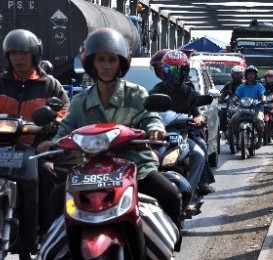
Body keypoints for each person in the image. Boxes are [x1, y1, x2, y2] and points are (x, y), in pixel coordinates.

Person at [36, 28, 183, 253]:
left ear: (121, 63)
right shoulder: (80, 101)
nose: (106, 65)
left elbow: (151, 117)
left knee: (170, 194)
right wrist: (54, 143)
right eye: (101, 60)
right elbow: (66, 128)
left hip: (135, 167)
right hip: (90, 173)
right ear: (91, 64)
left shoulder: (137, 94)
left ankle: (170, 249)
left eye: (111, 60)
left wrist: (155, 130)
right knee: (56, 199)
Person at [0, 29, 70, 233]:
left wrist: (52, 124)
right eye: (13, 54)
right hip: (3, 149)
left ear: (34, 55)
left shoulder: (50, 85)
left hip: (34, 150)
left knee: (47, 172)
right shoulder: (1, 83)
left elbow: (65, 115)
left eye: (23, 53)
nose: (18, 58)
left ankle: (49, 230)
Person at [149, 49, 215, 204]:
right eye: (170, 71)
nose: (174, 75)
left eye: (178, 71)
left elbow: (199, 112)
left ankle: (191, 194)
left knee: (198, 153)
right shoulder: (155, 91)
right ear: (163, 71)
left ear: (185, 72)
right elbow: (145, 112)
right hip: (159, 135)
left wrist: (198, 118)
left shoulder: (190, 92)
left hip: (184, 134)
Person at [230, 65, 266, 149]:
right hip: (242, 110)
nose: (251, 75)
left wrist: (262, 100)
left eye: (252, 74)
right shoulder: (241, 87)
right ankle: (237, 139)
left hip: (256, 109)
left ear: (255, 75)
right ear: (246, 75)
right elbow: (236, 96)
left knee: (259, 121)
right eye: (249, 73)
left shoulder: (259, 86)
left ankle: (260, 140)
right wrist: (234, 100)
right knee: (234, 119)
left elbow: (262, 95)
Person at [219, 65, 244, 134]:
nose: (237, 76)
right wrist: (221, 98)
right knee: (223, 112)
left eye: (239, 74)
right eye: (236, 74)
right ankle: (223, 130)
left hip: (244, 105)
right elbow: (222, 93)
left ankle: (253, 131)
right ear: (232, 75)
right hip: (231, 105)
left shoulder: (246, 84)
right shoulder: (229, 84)